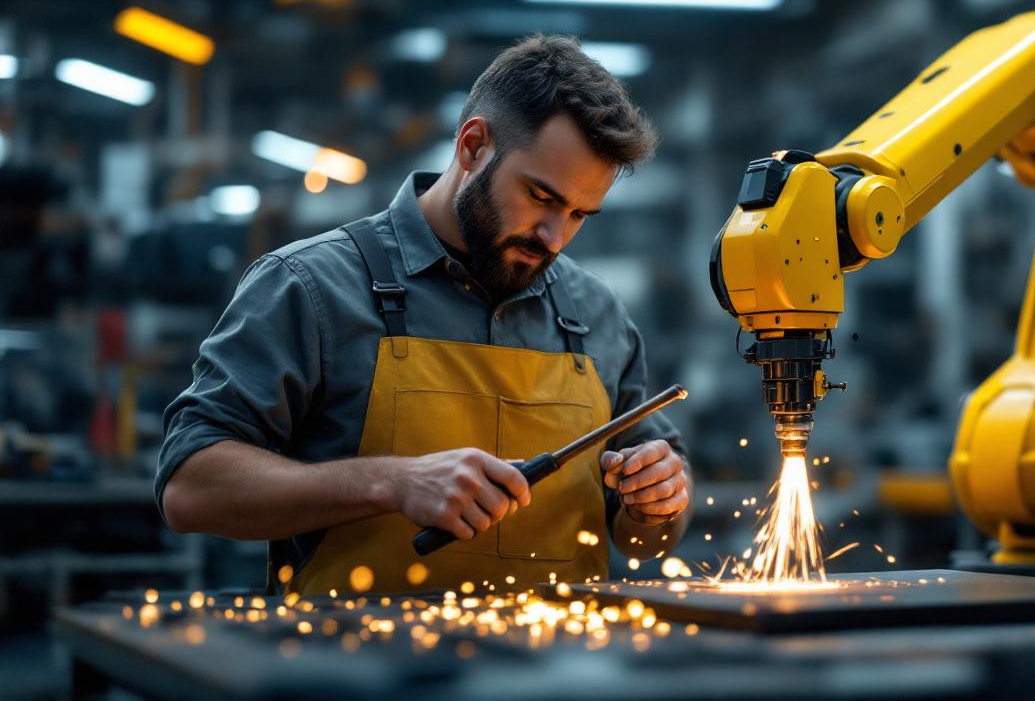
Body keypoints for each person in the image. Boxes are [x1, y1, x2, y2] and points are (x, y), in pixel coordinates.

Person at [157, 35, 691, 595]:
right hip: (354, 672)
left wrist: (657, 504)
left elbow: (645, 541)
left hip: (562, 673)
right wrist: (392, 482)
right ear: (472, 146)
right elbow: (189, 489)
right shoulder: (313, 286)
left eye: (581, 213)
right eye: (541, 196)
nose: (555, 237)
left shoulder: (596, 312)